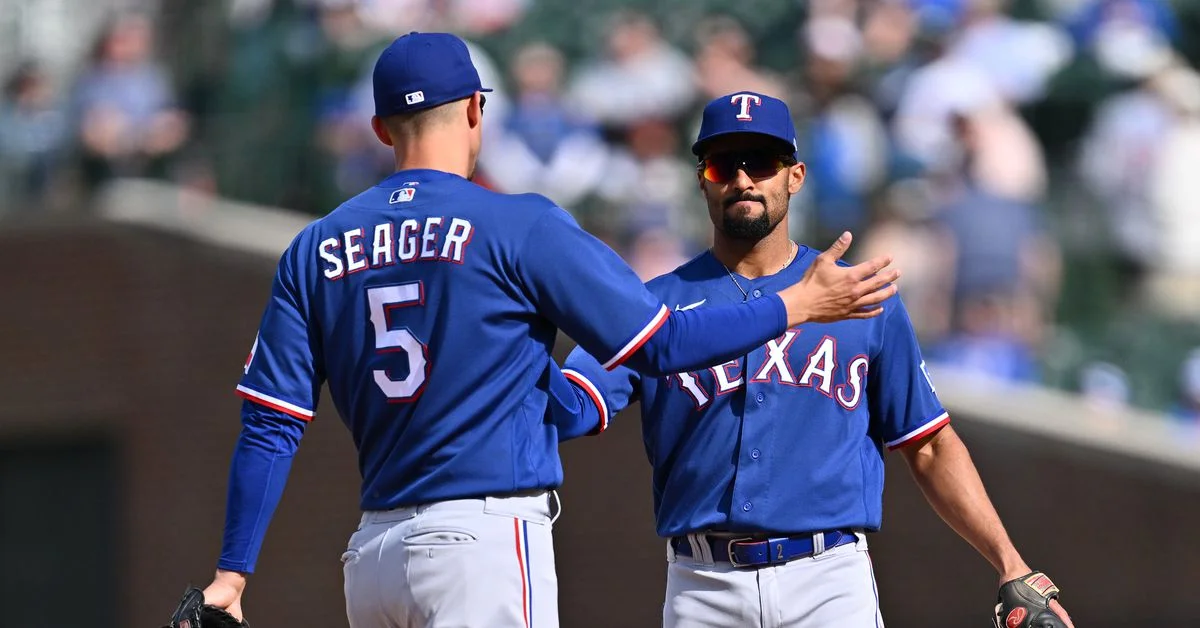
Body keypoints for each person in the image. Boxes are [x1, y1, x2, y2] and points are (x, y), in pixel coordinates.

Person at [192, 35, 899, 628]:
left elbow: (270, 424)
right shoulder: (516, 223)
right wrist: (794, 306)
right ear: (477, 110)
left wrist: (232, 574)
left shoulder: (315, 246)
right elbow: (663, 347)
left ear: (380, 129)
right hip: (478, 542)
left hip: (373, 555)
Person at [557, 91, 1074, 628]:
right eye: (722, 165)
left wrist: (1009, 562)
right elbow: (570, 406)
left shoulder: (862, 299)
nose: (742, 179)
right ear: (702, 181)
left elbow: (929, 443)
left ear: (795, 176)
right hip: (702, 582)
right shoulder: (655, 307)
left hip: (828, 581)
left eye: (761, 162)